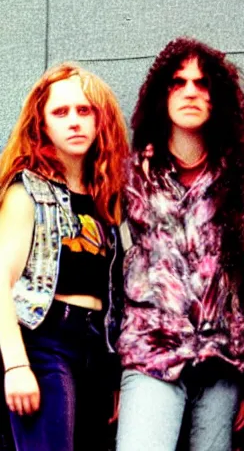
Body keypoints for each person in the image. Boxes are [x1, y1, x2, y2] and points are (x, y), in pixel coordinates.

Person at [116, 37, 244, 451]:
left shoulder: (241, 177)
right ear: (163, 95)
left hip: (223, 361)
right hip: (152, 354)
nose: (191, 91)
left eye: (201, 83)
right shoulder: (131, 176)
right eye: (178, 82)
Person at [0, 63, 129, 451]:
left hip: (96, 349)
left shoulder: (106, 200)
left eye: (84, 110)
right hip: (44, 340)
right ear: (42, 125)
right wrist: (16, 364)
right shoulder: (27, 191)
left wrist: (115, 376)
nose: (74, 121)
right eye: (60, 112)